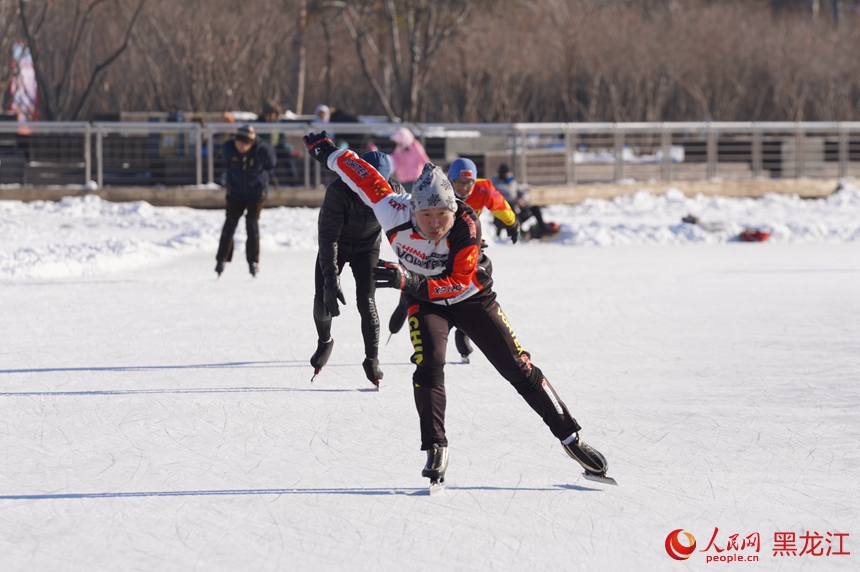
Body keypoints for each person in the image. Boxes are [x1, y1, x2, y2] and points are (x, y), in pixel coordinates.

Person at [303, 130, 615, 486]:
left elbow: (458, 282)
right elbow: (358, 170)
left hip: (472, 298)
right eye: (426, 216)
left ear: (453, 209)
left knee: (517, 366)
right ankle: (436, 445)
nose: (435, 224)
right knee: (429, 363)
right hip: (426, 302)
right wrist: (326, 150)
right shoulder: (391, 209)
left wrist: (410, 281)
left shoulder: (467, 224)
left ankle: (571, 438)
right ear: (411, 209)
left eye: (442, 215)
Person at [387, 157, 521, 362]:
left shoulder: (483, 189)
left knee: (466, 285)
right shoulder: (436, 190)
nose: (465, 188)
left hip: (460, 244)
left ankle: (462, 331)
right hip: (429, 244)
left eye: (469, 183)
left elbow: (500, 205)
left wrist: (512, 223)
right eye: (459, 183)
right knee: (421, 281)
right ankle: (406, 306)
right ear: (449, 181)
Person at [311, 150, 406, 387]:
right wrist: (331, 279)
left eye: (377, 186)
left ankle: (371, 358)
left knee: (367, 301)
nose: (370, 192)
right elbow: (328, 238)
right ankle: (325, 341)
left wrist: (408, 272)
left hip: (367, 249)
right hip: (337, 246)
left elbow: (406, 234)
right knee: (323, 298)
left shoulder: (395, 193)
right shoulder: (338, 191)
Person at [215, 124, 277, 278]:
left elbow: (271, 164)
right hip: (235, 192)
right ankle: (221, 260)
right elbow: (226, 164)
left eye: (244, 143)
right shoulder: (228, 148)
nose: (240, 146)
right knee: (230, 223)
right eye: (238, 142)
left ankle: (253, 262)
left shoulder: (263, 151)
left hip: (256, 193)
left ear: (252, 142)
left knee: (252, 224)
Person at [491, 163, 559, 240]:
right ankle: (521, 233)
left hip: (518, 210)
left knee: (535, 208)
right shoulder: (495, 184)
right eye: (507, 174)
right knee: (511, 206)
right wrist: (515, 201)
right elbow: (500, 197)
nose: (509, 176)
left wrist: (522, 199)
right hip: (504, 215)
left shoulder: (512, 183)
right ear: (502, 175)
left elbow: (523, 193)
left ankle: (543, 228)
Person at [388, 126, 431, 192]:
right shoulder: (398, 150)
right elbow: (395, 162)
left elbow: (424, 160)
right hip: (402, 180)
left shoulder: (415, 147)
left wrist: (430, 172)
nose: (398, 143)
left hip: (414, 180)